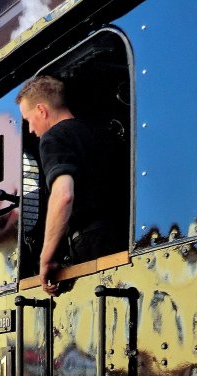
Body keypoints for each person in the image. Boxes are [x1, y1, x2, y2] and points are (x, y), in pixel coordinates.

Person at [16, 75, 121, 296]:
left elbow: (63, 195)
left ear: (42, 110)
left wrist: (46, 257)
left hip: (91, 243)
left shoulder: (53, 138)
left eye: (28, 120)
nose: (30, 130)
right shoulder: (100, 133)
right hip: (119, 236)